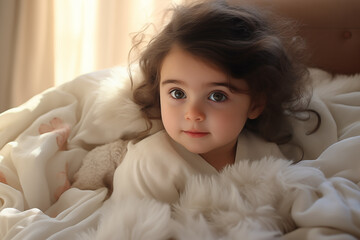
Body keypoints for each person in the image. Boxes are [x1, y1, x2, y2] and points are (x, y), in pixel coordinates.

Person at [110, 0, 313, 203]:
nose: (193, 113)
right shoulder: (148, 164)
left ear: (255, 104)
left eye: (217, 96)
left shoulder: (265, 155)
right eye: (178, 93)